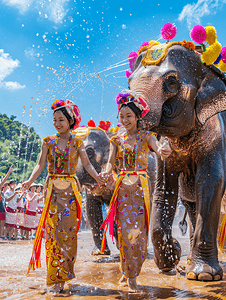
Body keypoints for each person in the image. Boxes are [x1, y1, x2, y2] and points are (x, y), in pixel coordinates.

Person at [22, 99, 105, 293]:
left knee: (68, 235)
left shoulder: (77, 142)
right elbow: (40, 165)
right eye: (55, 120)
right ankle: (55, 278)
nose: (57, 124)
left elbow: (87, 164)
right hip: (52, 192)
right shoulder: (47, 141)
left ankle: (65, 276)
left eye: (61, 120)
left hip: (70, 193)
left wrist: (98, 177)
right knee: (52, 235)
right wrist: (29, 180)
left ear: (70, 120)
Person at [100, 91, 172, 292]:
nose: (124, 120)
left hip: (140, 189)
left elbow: (159, 149)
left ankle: (132, 273)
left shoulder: (147, 136)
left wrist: (164, 150)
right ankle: (128, 273)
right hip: (122, 189)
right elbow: (109, 163)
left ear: (138, 117)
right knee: (124, 233)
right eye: (121, 117)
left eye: (128, 116)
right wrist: (105, 174)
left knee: (138, 234)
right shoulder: (117, 139)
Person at [0, 165, 16, 239]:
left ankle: (1, 236)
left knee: (2, 223)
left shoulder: (2, 192)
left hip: (2, 209)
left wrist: (9, 172)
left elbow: (4, 181)